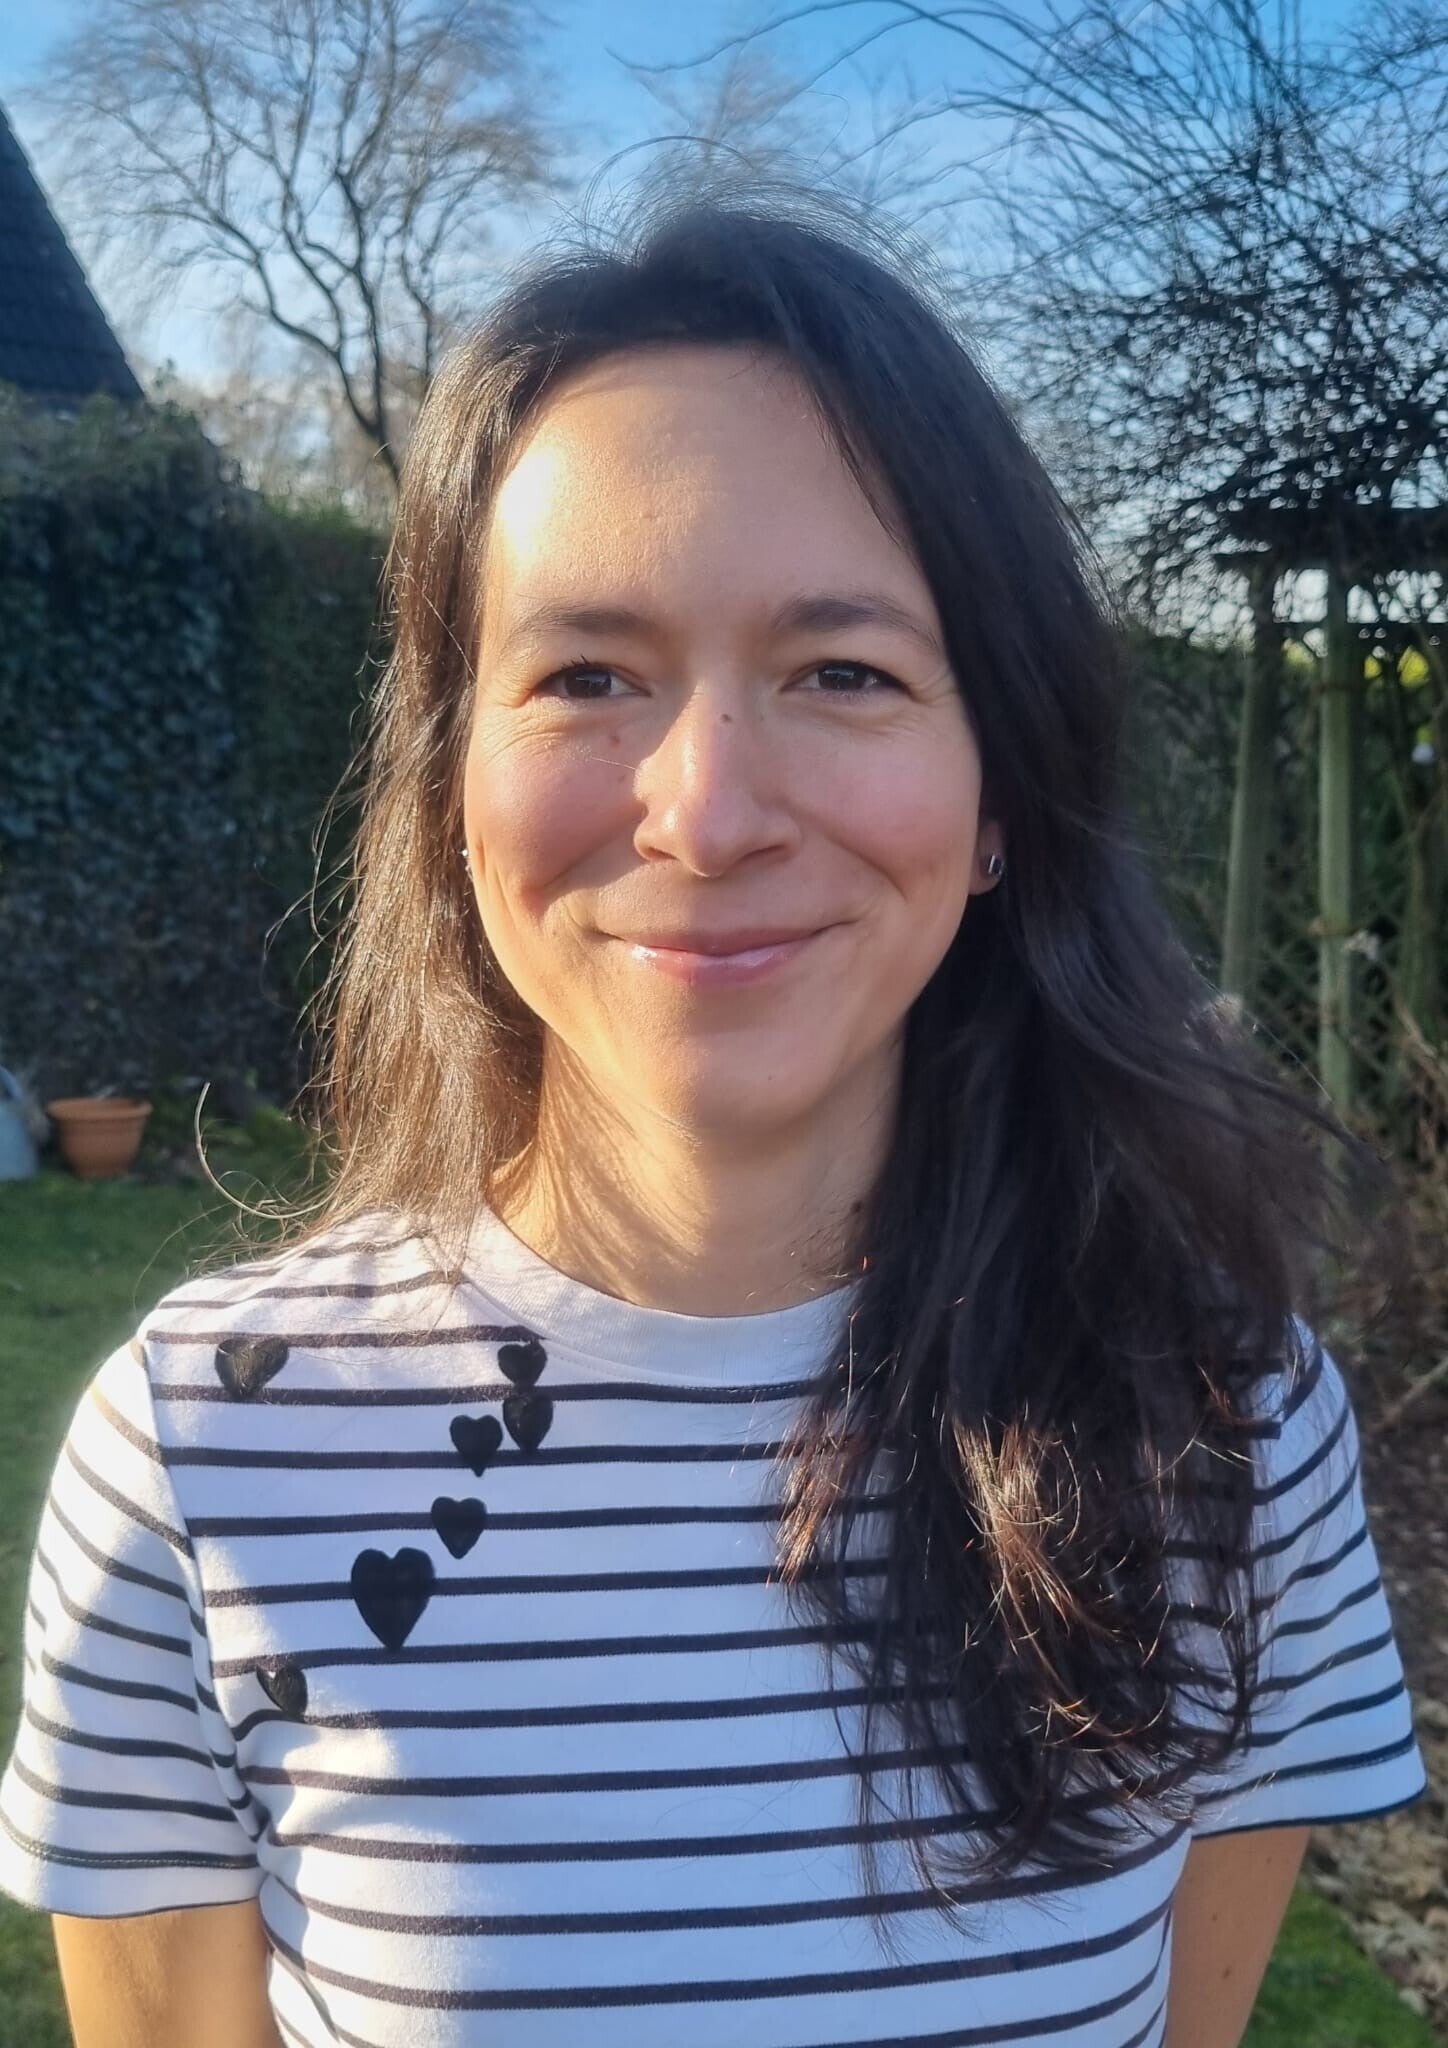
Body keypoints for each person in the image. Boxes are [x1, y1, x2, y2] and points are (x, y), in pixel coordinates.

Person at [0, 170, 1428, 2048]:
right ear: (450, 786)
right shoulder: (200, 1457)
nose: (708, 811)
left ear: (998, 794)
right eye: (587, 673)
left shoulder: (1231, 1432)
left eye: (845, 672)